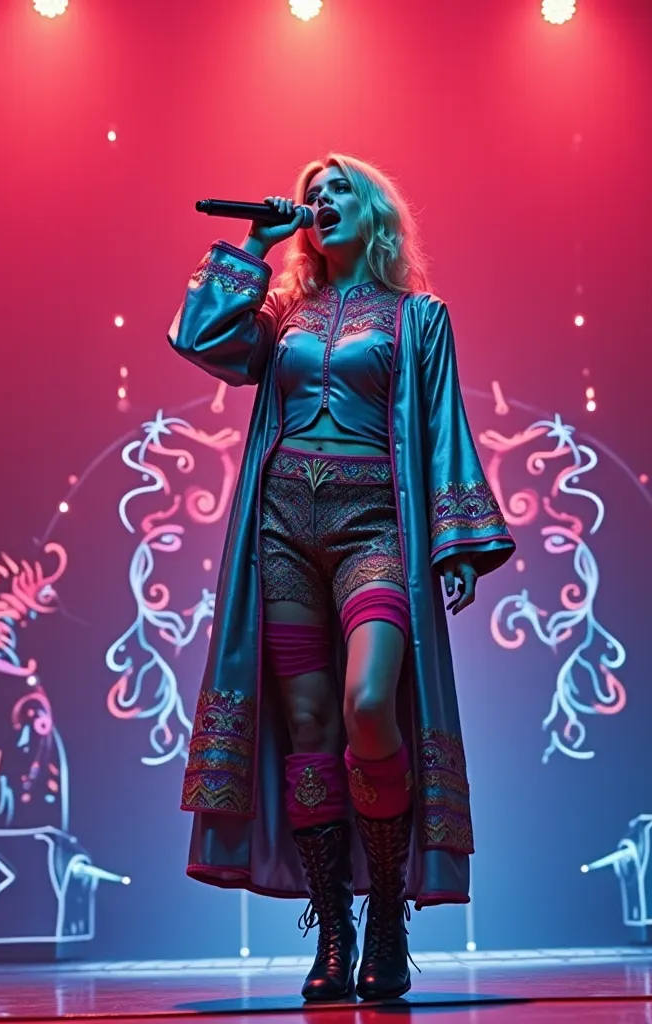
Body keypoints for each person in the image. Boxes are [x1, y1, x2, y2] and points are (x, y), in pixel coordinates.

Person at [169, 154, 513, 1001]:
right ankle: (333, 929)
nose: (321, 203)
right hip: (284, 528)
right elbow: (201, 340)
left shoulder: (418, 318)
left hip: (374, 529)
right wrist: (255, 247)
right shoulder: (284, 312)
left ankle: (388, 911)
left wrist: (458, 542)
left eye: (338, 192)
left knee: (367, 703)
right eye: (312, 196)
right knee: (310, 725)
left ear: (375, 212)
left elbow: (443, 426)